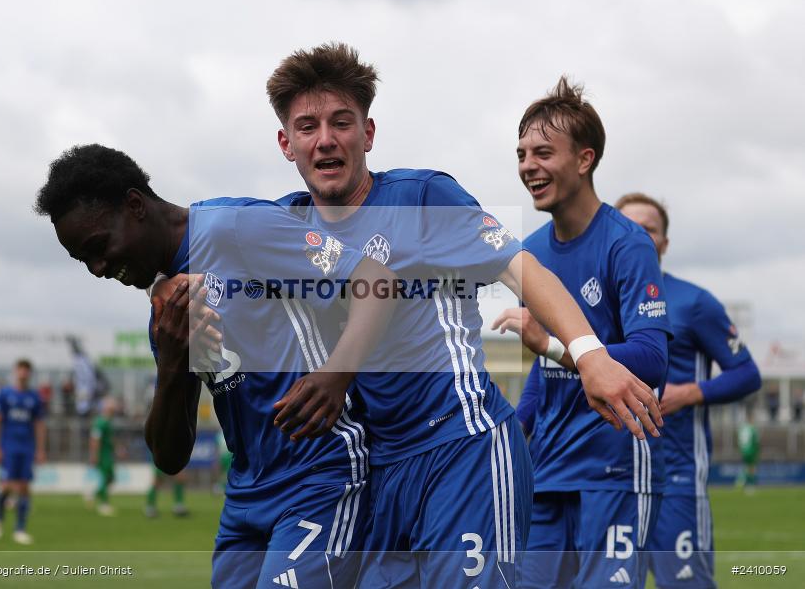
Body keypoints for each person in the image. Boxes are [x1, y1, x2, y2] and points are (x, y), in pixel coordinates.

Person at [259, 44, 661, 587]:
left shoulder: (424, 197)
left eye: (341, 122)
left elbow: (522, 270)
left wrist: (588, 355)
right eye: (307, 126)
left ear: (368, 134)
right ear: (287, 143)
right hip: (381, 472)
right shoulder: (285, 229)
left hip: (462, 447)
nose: (325, 138)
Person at [34, 143, 396, 588]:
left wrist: (336, 375)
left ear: (134, 205)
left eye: (98, 246)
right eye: (82, 260)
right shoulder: (167, 310)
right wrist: (171, 365)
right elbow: (170, 457)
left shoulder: (235, 228)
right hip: (246, 495)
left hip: (320, 473)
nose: (98, 268)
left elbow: (377, 279)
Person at [507, 78, 672, 588]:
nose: (527, 166)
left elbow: (651, 358)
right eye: (520, 154)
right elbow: (540, 370)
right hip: (548, 471)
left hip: (615, 471)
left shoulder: (627, 243)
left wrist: (555, 348)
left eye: (542, 152)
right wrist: (513, 437)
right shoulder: (528, 252)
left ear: (584, 159)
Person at [617, 192, 762, 588]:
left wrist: (690, 393)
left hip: (675, 475)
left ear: (664, 242)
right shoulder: (597, 300)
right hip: (610, 479)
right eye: (630, 227)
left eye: (651, 229)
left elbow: (747, 373)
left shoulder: (694, 302)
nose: (641, 236)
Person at [0, 359, 46, 545]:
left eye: (27, 370)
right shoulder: (4, 394)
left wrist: (41, 449)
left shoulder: (34, 397)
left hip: (27, 447)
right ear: (15, 371)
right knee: (8, 485)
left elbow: (39, 424)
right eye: (21, 370)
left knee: (25, 488)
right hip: (9, 446)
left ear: (29, 373)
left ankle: (20, 529)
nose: (23, 373)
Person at [90, 395, 119, 516]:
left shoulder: (108, 421)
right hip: (103, 454)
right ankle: (103, 504)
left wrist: (116, 449)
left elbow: (110, 439)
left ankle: (93, 494)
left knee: (111, 478)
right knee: (105, 477)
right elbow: (95, 439)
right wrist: (94, 455)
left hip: (108, 453)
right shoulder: (100, 422)